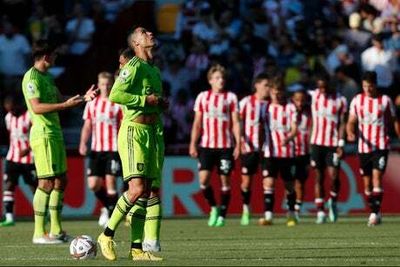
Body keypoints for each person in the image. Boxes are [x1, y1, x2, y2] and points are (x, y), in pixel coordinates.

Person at [97, 26, 165, 261]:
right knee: (136, 189)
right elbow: (115, 94)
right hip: (134, 132)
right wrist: (145, 99)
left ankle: (137, 249)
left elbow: (153, 100)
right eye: (144, 33)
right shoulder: (133, 66)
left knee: (145, 192)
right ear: (136, 43)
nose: (150, 34)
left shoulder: (154, 70)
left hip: (152, 133)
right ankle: (106, 235)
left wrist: (159, 104)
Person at [21, 39, 98, 244]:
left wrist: (83, 98)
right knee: (46, 181)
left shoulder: (47, 77)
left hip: (55, 134)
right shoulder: (31, 77)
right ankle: (39, 233)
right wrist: (64, 105)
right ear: (46, 56)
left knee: (61, 180)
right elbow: (36, 107)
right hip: (44, 135)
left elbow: (60, 98)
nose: (56, 58)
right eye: (54, 55)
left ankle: (56, 231)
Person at [189, 64, 241, 227]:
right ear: (210, 80)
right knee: (203, 180)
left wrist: (238, 144)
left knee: (225, 181)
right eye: (217, 78)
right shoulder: (203, 97)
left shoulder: (231, 97)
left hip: (225, 146)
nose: (221, 81)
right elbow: (197, 123)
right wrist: (193, 144)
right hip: (206, 146)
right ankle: (213, 208)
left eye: (223, 78)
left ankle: (222, 216)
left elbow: (236, 123)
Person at [346, 71, 400, 226]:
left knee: (377, 177)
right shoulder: (357, 100)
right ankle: (374, 210)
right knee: (367, 183)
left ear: (375, 85)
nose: (367, 89)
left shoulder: (385, 100)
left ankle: (375, 213)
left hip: (381, 145)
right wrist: (350, 132)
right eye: (364, 86)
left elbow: (393, 120)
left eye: (370, 86)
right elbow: (351, 121)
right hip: (364, 147)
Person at [79, 71, 123, 228]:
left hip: (113, 148)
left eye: (108, 84)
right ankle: (107, 206)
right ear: (98, 85)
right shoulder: (92, 103)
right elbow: (87, 126)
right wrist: (83, 143)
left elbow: (123, 125)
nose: (105, 87)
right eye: (103, 84)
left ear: (112, 85)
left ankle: (111, 216)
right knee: (93, 184)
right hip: (96, 149)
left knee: (111, 182)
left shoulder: (118, 104)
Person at [258, 79, 298, 227]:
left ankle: (292, 214)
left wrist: (288, 138)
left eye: (278, 92)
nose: (276, 95)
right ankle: (268, 216)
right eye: (274, 92)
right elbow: (261, 129)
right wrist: (260, 147)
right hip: (270, 152)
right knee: (268, 182)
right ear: (270, 92)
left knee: (289, 185)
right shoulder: (265, 108)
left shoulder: (290, 107)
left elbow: (294, 129)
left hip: (287, 153)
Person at [309, 75, 347, 224]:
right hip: (316, 143)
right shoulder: (313, 96)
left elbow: (342, 123)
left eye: (325, 87)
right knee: (318, 177)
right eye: (320, 87)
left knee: (334, 176)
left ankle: (333, 202)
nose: (323, 90)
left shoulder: (340, 100)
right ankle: (320, 211)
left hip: (332, 144)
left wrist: (341, 143)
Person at [238, 73, 270, 226]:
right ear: (256, 85)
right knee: (246, 181)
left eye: (269, 86)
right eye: (266, 85)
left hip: (267, 149)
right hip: (249, 147)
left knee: (267, 181)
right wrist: (240, 141)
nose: (268, 89)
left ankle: (267, 213)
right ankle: (246, 209)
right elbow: (238, 123)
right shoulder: (246, 102)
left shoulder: (271, 104)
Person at [0, 92, 37, 226]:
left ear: (19, 105)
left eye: (13, 108)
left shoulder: (29, 116)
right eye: (8, 109)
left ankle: (42, 216)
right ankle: (9, 218)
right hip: (12, 157)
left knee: (35, 188)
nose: (11, 111)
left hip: (29, 159)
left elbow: (37, 135)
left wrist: (28, 149)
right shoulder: (8, 117)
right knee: (8, 185)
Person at [291, 89, 312, 219]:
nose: (299, 103)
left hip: (304, 152)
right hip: (289, 152)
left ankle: (297, 209)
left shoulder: (310, 113)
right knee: (290, 182)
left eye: (302, 100)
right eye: (297, 100)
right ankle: (291, 207)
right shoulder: (287, 111)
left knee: (300, 182)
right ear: (292, 99)